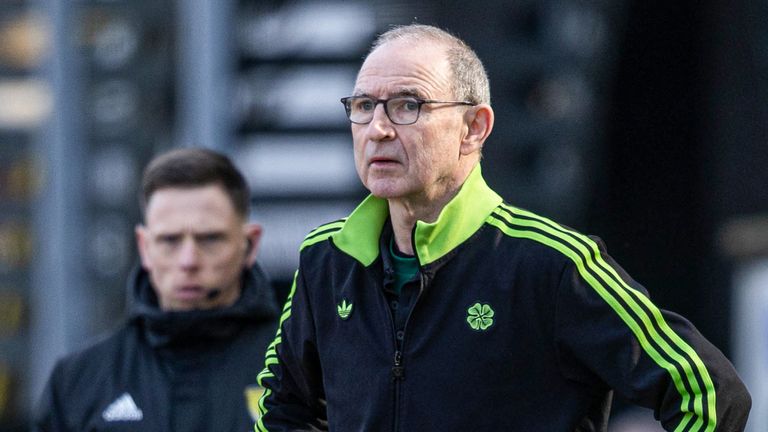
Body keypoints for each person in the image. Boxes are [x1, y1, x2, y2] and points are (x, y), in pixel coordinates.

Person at [254, 24, 751, 431]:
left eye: (408, 105)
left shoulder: (552, 264)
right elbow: (283, 411)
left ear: (475, 128)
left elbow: (709, 394)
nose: (378, 129)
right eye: (364, 106)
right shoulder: (325, 259)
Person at [33, 148, 279, 431]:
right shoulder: (79, 381)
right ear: (144, 246)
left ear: (249, 245)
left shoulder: (303, 368)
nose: (188, 261)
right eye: (170, 240)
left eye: (210, 239)